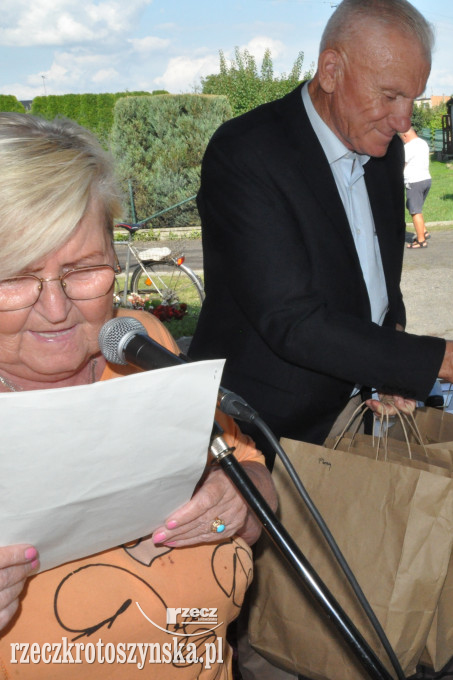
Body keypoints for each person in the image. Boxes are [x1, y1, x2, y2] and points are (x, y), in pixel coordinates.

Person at [0, 112, 275, 679]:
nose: (56, 310)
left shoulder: (137, 342)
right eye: (12, 279)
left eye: (83, 270)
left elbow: (256, 482)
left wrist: (240, 503)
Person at [188, 0, 453, 459]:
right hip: (258, 437)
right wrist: (441, 361)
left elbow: (380, 283)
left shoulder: (385, 154)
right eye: (389, 96)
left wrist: (394, 358)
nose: (404, 120)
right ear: (331, 70)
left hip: (353, 429)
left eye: (413, 98)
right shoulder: (247, 152)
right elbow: (292, 320)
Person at [401, 127, 432, 249]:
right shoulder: (423, 143)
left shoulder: (408, 147)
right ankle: (423, 231)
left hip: (414, 182)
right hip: (426, 179)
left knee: (415, 211)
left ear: (405, 136)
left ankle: (421, 240)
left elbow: (401, 163)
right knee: (411, 205)